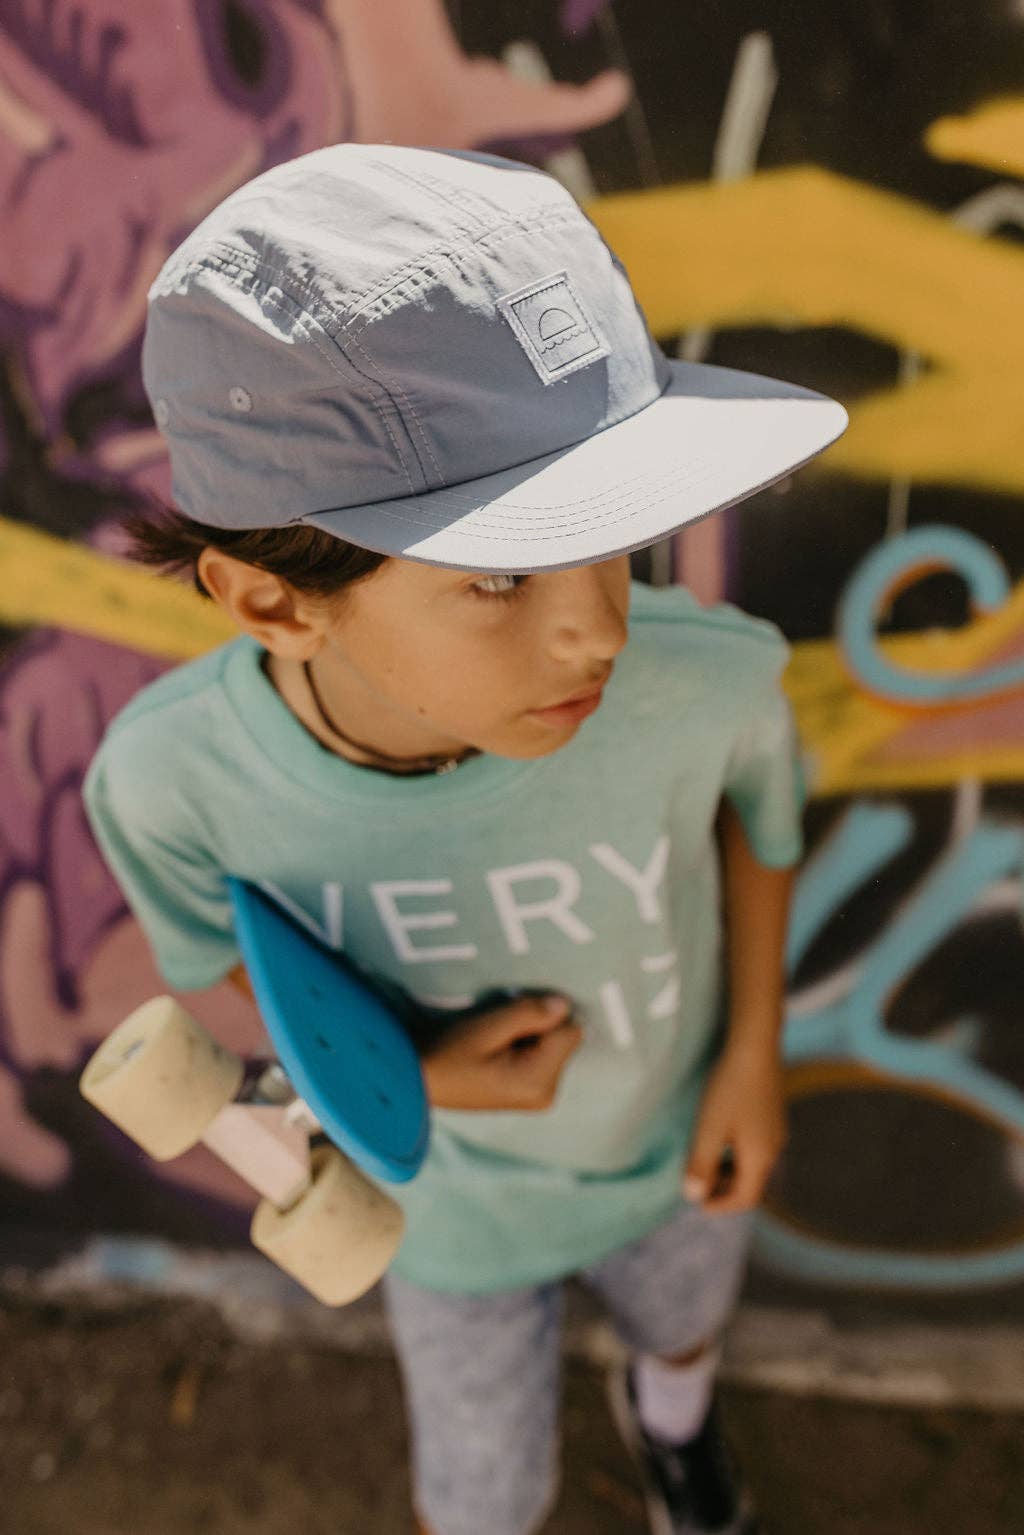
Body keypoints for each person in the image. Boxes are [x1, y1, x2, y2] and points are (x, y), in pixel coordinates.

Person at [82, 142, 846, 1535]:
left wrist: (749, 1058)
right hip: (450, 1218)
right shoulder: (171, 787)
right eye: (501, 574)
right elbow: (250, 972)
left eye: (619, 534)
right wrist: (405, 1084)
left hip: (674, 1144)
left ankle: (674, 1433)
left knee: (684, 1330)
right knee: (484, 1500)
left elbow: (765, 815)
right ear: (272, 604)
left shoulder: (709, 678)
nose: (600, 629)